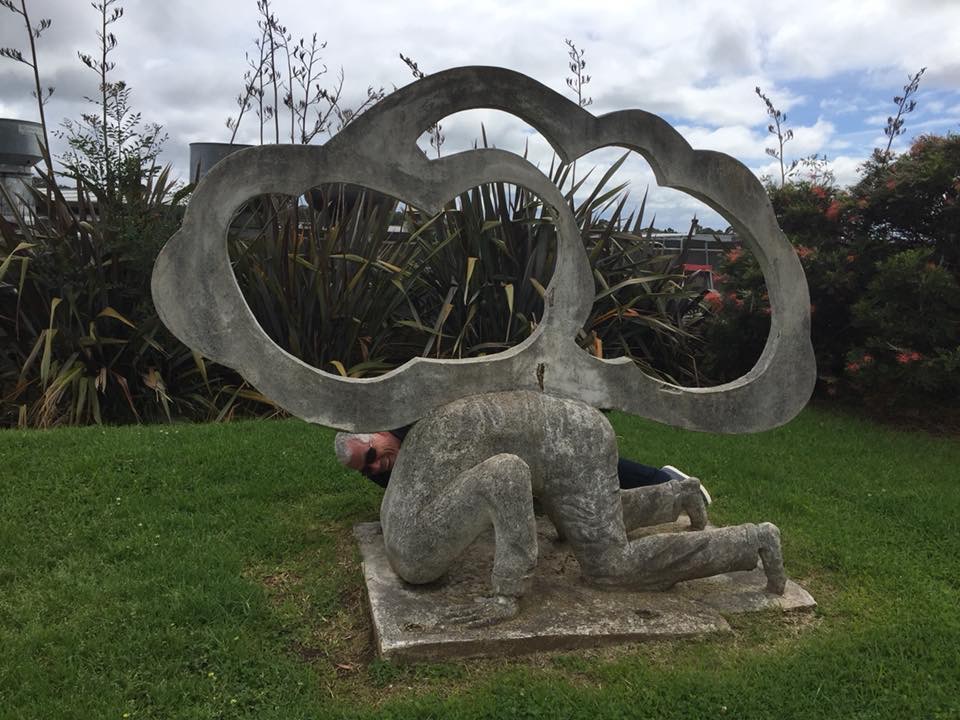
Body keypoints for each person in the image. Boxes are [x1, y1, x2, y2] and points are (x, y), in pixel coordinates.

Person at [334, 426, 712, 503]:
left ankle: (665, 481)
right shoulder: (387, 473)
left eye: (371, 457)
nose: (375, 469)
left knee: (580, 465)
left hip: (509, 438)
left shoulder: (416, 422)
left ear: (379, 430)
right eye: (365, 471)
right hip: (496, 473)